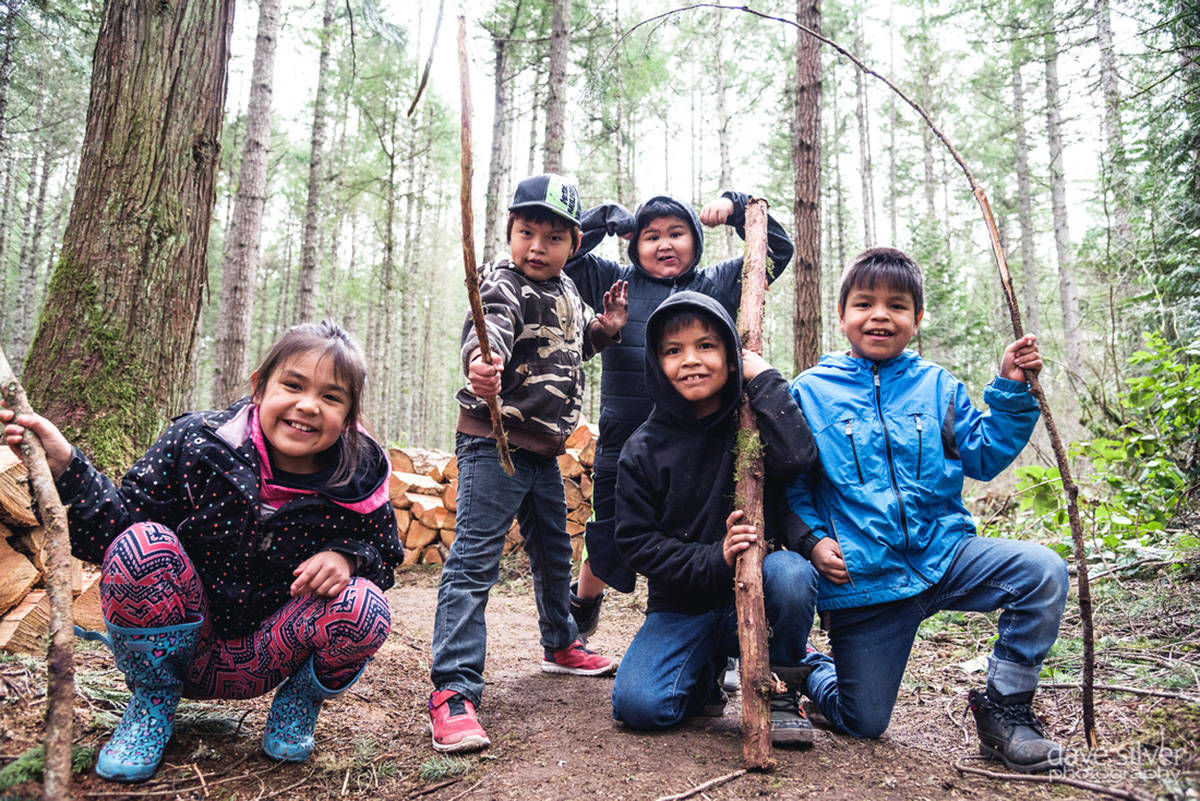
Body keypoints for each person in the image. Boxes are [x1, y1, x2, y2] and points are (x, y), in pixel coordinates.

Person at [1, 321, 402, 782]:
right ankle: (151, 707)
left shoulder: (359, 477)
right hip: (181, 649)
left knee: (365, 606)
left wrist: (347, 556)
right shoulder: (198, 443)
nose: (308, 405)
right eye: (293, 385)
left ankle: (299, 702)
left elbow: (384, 555)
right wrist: (68, 469)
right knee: (142, 544)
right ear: (259, 387)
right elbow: (118, 531)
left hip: (270, 652)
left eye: (331, 397)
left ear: (349, 415)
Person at [786, 247, 1069, 772]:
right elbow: (793, 485)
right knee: (863, 722)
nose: (880, 316)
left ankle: (1005, 712)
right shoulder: (811, 392)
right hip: (864, 580)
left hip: (945, 555)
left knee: (1042, 571)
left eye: (897, 306)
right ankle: (812, 670)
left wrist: (1011, 389)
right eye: (864, 303)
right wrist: (813, 539)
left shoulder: (937, 387)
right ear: (842, 315)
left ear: (917, 318)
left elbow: (982, 455)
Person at [428, 174, 628, 754]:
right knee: (475, 562)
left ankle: (560, 643)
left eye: (553, 238)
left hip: (543, 451)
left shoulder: (566, 290)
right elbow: (487, 330)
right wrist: (480, 364)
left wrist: (604, 331)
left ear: (574, 244)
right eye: (526, 233)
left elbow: (568, 345)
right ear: (511, 232)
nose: (537, 247)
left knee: (553, 552)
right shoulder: (502, 282)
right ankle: (454, 690)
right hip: (495, 443)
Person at [563, 190, 794, 639]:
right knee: (608, 529)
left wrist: (737, 208)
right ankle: (584, 604)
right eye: (651, 236)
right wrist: (608, 218)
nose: (664, 244)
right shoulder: (616, 281)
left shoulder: (716, 283)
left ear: (695, 240)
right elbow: (567, 256)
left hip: (703, 445)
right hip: (624, 441)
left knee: (709, 533)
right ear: (634, 245)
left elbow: (776, 252)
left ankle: (724, 631)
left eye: (676, 233)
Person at [610, 291, 820, 744]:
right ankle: (705, 673)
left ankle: (783, 688)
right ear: (657, 364)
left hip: (757, 591)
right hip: (681, 605)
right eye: (673, 350)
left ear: (730, 356)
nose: (691, 360)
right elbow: (635, 543)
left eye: (706, 345)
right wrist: (715, 556)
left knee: (790, 573)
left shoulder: (751, 424)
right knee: (638, 705)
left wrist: (764, 379)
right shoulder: (643, 448)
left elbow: (798, 459)